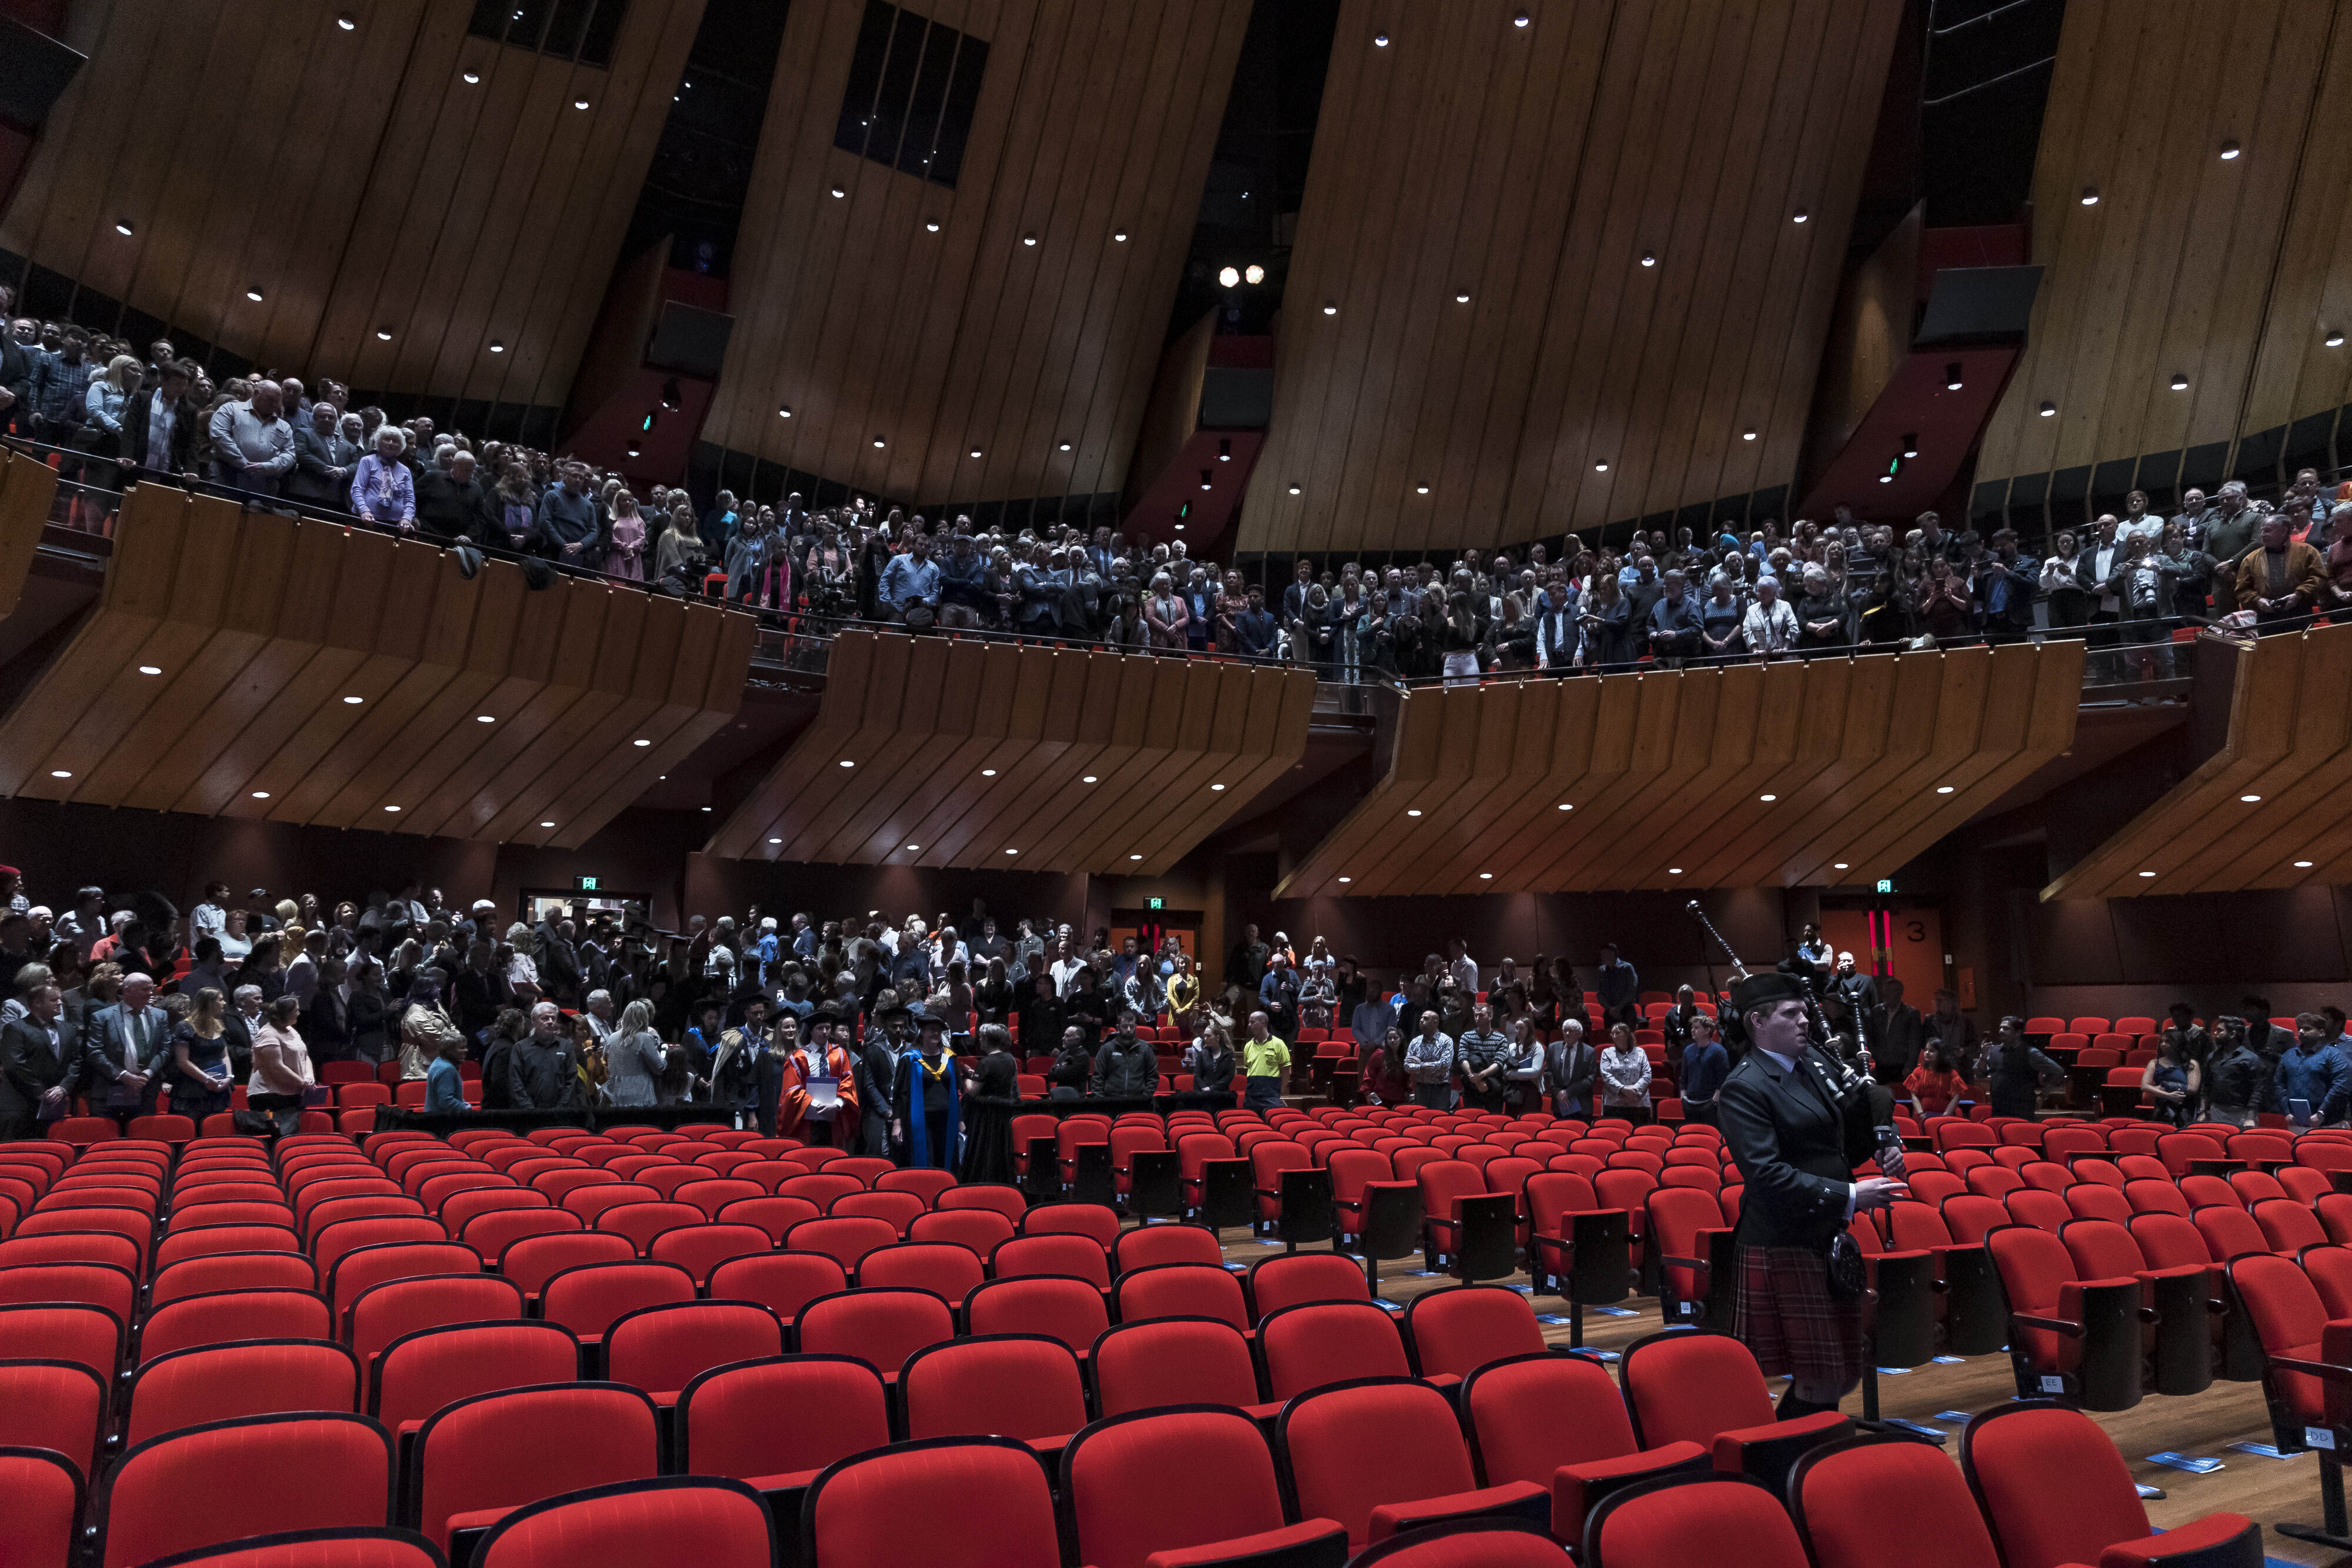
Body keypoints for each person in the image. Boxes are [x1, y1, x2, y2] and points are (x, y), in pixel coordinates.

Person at [1716, 969, 1904, 1419]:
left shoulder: (1814, 1067)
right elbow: (1766, 1174)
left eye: (1804, 1011)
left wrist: (1887, 1141)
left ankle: (1797, 1459)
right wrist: (1852, 1196)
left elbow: (1848, 1132)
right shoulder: (1744, 1086)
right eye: (1790, 1013)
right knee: (1820, 1375)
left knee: (1843, 1371)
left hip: (1824, 1236)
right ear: (1757, 1022)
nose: (1804, 1020)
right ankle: (1787, 1467)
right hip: (1781, 1240)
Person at [0, 981, 77, 1139]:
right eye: (54, 1000)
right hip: (21, 1106)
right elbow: (14, 1065)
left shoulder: (68, 1028)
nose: (60, 1003)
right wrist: (41, 1092)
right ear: (37, 1003)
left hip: (54, 1105)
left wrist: (62, 1088)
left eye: (60, 999)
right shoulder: (16, 1028)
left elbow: (76, 1062)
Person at [890, 1013, 960, 1171]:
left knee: (944, 1160)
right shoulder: (910, 1058)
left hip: (946, 1118)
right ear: (922, 1031)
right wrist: (897, 1122)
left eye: (938, 1030)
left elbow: (955, 1090)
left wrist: (961, 1120)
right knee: (925, 1160)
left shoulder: (949, 1057)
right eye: (931, 1030)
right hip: (920, 1120)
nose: (935, 1033)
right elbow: (900, 1093)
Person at [248, 994, 314, 1137]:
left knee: (289, 1136)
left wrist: (309, 1076)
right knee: (274, 1135)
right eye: (295, 1010)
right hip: (268, 1095)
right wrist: (301, 1081)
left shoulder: (291, 1030)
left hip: (291, 1093)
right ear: (284, 1014)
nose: (299, 1013)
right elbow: (276, 1066)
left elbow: (305, 1056)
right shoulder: (267, 1034)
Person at [1976, 1016, 2063, 1118]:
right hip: (1998, 1110)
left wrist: (2043, 1095)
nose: (2001, 1031)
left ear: (2018, 1033)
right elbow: (1980, 1074)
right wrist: (1982, 1057)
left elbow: (2058, 1071)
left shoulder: (2030, 1053)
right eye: (2001, 1028)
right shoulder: (1993, 1051)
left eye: (2006, 1029)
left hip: (2023, 1111)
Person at [510, 1001, 585, 1113]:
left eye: (553, 1018)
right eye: (545, 1018)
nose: (550, 1022)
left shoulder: (566, 1046)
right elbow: (516, 1083)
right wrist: (529, 1109)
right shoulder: (520, 1048)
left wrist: (560, 1109)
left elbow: (571, 1080)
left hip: (561, 1114)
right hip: (528, 1114)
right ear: (534, 1021)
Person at [2277, 1014, 2346, 1128]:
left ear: (2321, 1033)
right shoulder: (2289, 1055)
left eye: (2307, 1029)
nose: (2301, 1032)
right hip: (2296, 1120)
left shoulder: (2335, 1055)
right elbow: (2279, 1084)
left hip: (2328, 1122)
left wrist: (2322, 1113)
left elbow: (2340, 1086)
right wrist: (2287, 1111)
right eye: (2299, 1028)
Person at [601, 998, 669, 1109]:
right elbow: (660, 1067)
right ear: (644, 1017)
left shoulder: (612, 1037)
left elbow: (605, 1062)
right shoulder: (644, 1038)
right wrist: (664, 1051)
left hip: (616, 1091)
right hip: (640, 1092)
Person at [2201, 1018, 2268, 1128]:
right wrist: (2202, 1111)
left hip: (2242, 1114)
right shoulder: (2212, 1056)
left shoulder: (2251, 1059)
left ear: (2232, 1034)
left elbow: (2257, 1091)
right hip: (2217, 1110)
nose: (2215, 1033)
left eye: (2219, 1031)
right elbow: (2206, 1086)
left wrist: (2250, 1118)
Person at [1455, 1003, 1512, 1112]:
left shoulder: (1501, 1039)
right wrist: (1475, 1080)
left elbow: (1498, 1063)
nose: (1477, 1018)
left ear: (1490, 1016)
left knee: (1494, 1120)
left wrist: (1481, 1076)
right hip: (1472, 1086)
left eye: (1481, 1015)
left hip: (1493, 1085)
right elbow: (1463, 1059)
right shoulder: (1467, 1036)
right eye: (1476, 1015)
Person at [2140, 1031, 2200, 1128]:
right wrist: (2169, 1095)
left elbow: (2193, 1088)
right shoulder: (2154, 1063)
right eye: (2162, 1041)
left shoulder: (2192, 1064)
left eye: (2168, 1041)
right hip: (2162, 1108)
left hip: (2185, 1107)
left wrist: (2164, 1086)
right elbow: (2145, 1086)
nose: (2163, 1044)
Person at [1679, 1013, 1730, 1125]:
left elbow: (1722, 1078)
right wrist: (1683, 1097)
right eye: (1692, 1028)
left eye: (1697, 1028)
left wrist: (1715, 1100)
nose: (1693, 1030)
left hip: (1709, 1103)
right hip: (1689, 1102)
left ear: (1707, 1030)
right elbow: (1684, 1077)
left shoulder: (1719, 1051)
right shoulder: (1688, 1050)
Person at [1597, 1023, 1653, 1121]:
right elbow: (1606, 1075)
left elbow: (1647, 1074)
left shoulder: (1640, 1052)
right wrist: (1623, 1089)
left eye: (1618, 1033)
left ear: (1627, 1034)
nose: (1614, 1036)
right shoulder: (1607, 1053)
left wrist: (1634, 1090)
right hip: (1614, 1103)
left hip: (1638, 1102)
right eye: (1612, 1034)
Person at [1238, 1009, 1290, 1112]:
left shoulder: (1279, 1044)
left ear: (1262, 1023)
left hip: (1270, 1092)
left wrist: (1280, 1090)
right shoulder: (1248, 1046)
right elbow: (1248, 1070)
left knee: (1271, 1119)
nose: (1249, 1025)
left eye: (1252, 1022)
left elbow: (1286, 1071)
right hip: (1251, 1093)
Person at [1404, 1009, 1456, 1109]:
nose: (1421, 1021)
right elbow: (1407, 1066)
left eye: (1426, 1019)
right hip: (1421, 1088)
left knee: (1440, 1120)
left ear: (1435, 1022)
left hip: (1441, 1089)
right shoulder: (1415, 1042)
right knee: (1421, 1119)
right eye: (1421, 1018)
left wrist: (1420, 1065)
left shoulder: (1446, 1041)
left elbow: (1445, 1065)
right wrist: (1421, 1067)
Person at [1903, 1045, 1966, 1119]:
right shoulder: (1918, 1071)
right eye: (1926, 1050)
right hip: (1921, 1117)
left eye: (1932, 1051)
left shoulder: (1951, 1073)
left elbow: (1956, 1097)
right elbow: (1914, 1096)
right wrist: (1921, 1115)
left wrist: (1945, 1115)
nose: (1927, 1053)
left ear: (1940, 1054)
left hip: (1944, 1117)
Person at [1185, 1013, 1237, 1099]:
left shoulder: (1228, 1054)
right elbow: (1197, 1075)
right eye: (1205, 1036)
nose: (1205, 1039)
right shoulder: (1202, 1054)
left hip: (1222, 1094)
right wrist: (1205, 1088)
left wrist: (1212, 1088)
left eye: (1208, 1036)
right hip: (1203, 1094)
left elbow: (1229, 1076)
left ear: (1217, 1038)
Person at [423, 1024, 471, 1115]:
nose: (466, 1050)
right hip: (443, 1122)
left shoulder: (439, 1062)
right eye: (461, 1048)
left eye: (465, 1047)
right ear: (449, 1051)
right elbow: (446, 1101)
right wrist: (465, 1108)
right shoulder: (447, 1069)